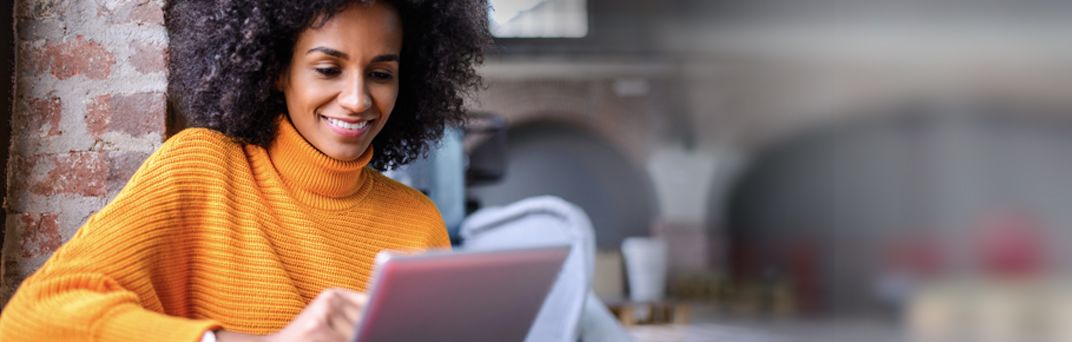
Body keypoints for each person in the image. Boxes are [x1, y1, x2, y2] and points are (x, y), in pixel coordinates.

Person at [0, 1, 489, 341]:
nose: (358, 99)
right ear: (277, 70)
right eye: (327, 68)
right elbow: (32, 323)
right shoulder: (203, 168)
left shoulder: (417, 221)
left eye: (381, 74)